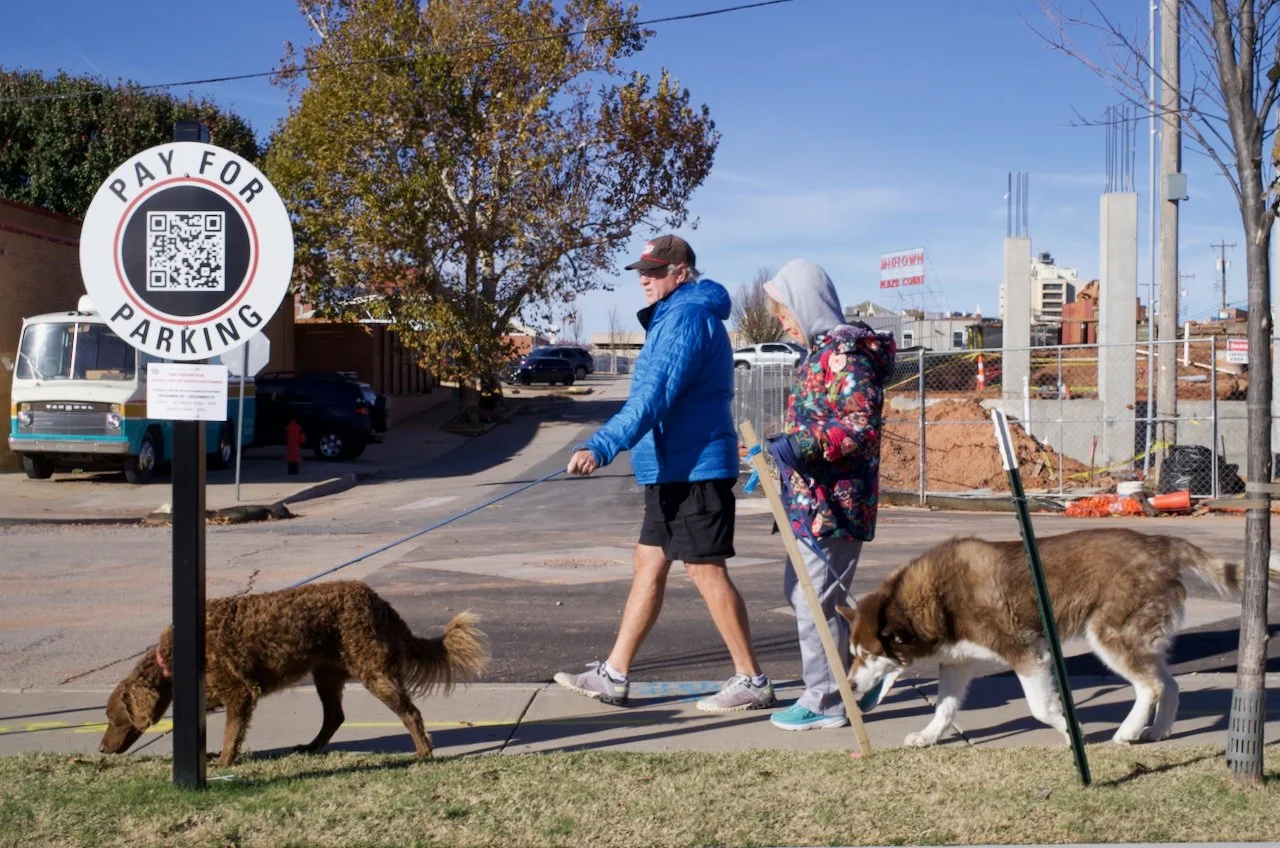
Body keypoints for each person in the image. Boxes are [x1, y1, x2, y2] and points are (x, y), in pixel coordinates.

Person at [553, 235, 775, 713]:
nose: (645, 279)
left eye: (655, 271)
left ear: (682, 272)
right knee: (648, 562)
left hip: (694, 467)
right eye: (642, 271)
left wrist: (603, 444)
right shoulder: (677, 315)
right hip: (672, 470)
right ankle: (614, 674)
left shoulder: (686, 316)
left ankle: (752, 679)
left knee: (705, 569)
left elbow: (653, 395)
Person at [760, 259, 896, 731]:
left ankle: (826, 700)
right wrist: (778, 455)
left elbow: (861, 427)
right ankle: (858, 674)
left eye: (784, 314)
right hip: (811, 503)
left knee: (813, 599)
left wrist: (799, 445)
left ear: (805, 304)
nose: (784, 323)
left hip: (836, 506)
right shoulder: (819, 355)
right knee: (806, 593)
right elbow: (816, 422)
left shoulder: (847, 357)